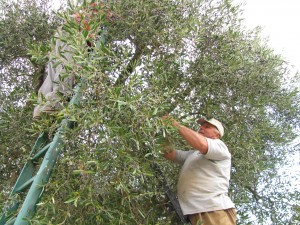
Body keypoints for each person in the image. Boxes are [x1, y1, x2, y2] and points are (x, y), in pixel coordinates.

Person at [162, 116, 237, 225]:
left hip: (214, 211)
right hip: (195, 213)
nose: (201, 128)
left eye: (207, 127)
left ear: (217, 135)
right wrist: (160, 131)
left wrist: (174, 124)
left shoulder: (220, 146)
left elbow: (202, 144)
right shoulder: (193, 154)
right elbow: (170, 154)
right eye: (201, 126)